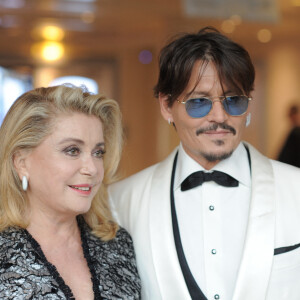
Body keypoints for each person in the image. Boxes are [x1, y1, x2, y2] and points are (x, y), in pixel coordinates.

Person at [108, 27, 300, 300]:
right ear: (166, 106)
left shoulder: (296, 188)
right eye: (199, 102)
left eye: (233, 100)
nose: (219, 116)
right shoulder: (121, 202)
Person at [0, 85, 141, 299]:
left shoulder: (118, 245)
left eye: (98, 152)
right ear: (21, 162)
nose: (92, 168)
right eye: (72, 150)